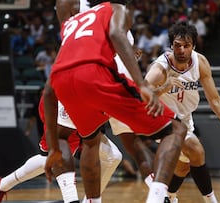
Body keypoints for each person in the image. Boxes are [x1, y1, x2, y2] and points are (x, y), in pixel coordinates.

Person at [44, 1, 187, 203]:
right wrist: (142, 84)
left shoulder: (73, 22)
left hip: (62, 80)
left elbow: (49, 91)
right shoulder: (115, 9)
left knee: (89, 142)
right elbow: (116, 34)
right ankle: (158, 199)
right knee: (175, 130)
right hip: (98, 75)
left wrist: (53, 149)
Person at [144, 21, 220, 203]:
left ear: (193, 45)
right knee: (196, 150)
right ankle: (211, 201)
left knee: (183, 166)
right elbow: (139, 96)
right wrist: (163, 88)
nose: (182, 50)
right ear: (171, 46)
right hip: (161, 119)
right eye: (178, 45)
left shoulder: (200, 62)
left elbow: (215, 100)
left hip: (184, 119)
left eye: (187, 45)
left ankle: (169, 196)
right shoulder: (160, 69)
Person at [0, 96, 122, 203]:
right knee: (57, 155)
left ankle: (2, 185)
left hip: (88, 102)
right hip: (65, 99)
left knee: (113, 156)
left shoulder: (115, 81)